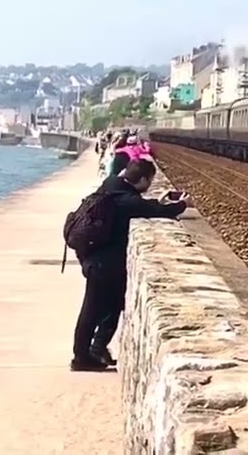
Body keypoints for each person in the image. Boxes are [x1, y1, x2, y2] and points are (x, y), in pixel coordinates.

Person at [71, 158, 189, 371]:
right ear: (143, 179)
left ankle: (95, 351)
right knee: (92, 312)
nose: (150, 185)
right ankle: (81, 358)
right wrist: (182, 205)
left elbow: (142, 205)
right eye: (150, 181)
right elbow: (154, 210)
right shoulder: (125, 200)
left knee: (110, 308)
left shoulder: (111, 186)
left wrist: (157, 201)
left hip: (94, 258)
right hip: (104, 265)